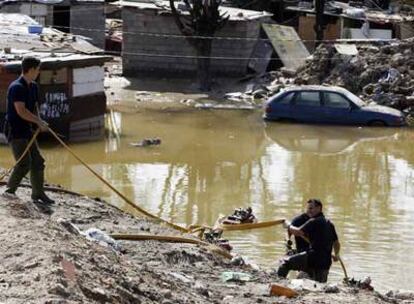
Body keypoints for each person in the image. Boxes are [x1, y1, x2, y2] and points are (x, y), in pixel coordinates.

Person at [2, 56, 54, 205]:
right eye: (37, 69)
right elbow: (21, 111)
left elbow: (34, 107)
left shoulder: (33, 86)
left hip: (27, 128)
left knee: (38, 161)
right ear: (31, 69)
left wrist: (39, 122)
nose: (38, 72)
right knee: (24, 162)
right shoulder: (17, 87)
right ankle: (9, 191)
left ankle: (38, 194)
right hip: (15, 129)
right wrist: (38, 121)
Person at [277, 199, 340, 283]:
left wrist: (288, 226)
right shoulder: (330, 223)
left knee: (285, 263)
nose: (308, 211)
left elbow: (298, 232)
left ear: (319, 208)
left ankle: (279, 284)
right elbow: (336, 242)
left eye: (311, 208)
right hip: (326, 263)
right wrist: (336, 254)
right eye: (307, 208)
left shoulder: (313, 221)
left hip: (313, 257)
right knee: (319, 285)